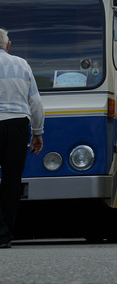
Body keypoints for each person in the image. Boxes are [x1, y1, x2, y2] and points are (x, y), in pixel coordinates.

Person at [0, 27, 44, 248]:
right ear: (7, 46)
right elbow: (35, 103)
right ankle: (4, 235)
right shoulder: (22, 64)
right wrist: (37, 132)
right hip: (18, 124)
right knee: (11, 179)